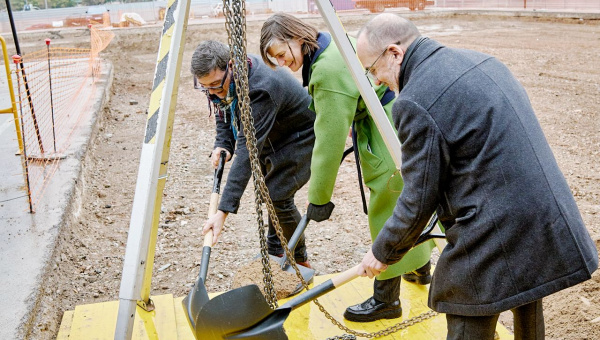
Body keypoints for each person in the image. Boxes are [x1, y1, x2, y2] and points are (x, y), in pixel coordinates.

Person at [355, 13, 598, 339]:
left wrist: (382, 253)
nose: (376, 81)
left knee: (463, 303)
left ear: (395, 53)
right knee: (525, 299)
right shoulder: (484, 61)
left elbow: (417, 199)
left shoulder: (413, 101)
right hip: (541, 214)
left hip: (496, 229)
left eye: (372, 70)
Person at [260, 13, 435, 322]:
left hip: (385, 129)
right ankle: (421, 269)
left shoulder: (327, 71)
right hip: (396, 116)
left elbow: (328, 142)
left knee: (388, 208)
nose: (282, 63)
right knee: (413, 196)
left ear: (297, 38)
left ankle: (386, 300)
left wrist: (319, 197)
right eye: (274, 60)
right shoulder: (332, 44)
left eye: (281, 53)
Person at [193, 40, 315, 268]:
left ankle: (300, 260)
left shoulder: (260, 88)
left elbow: (247, 151)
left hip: (301, 135)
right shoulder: (215, 81)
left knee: (278, 195)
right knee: (268, 192)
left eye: (216, 85)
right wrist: (222, 143)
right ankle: (275, 251)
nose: (213, 92)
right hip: (273, 130)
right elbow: (222, 106)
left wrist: (223, 212)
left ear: (231, 65)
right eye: (205, 87)